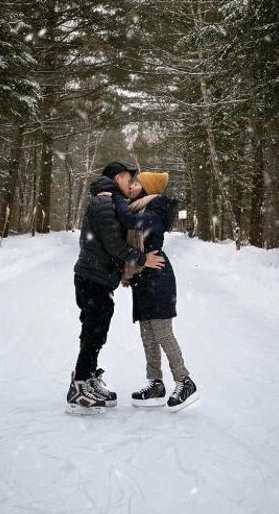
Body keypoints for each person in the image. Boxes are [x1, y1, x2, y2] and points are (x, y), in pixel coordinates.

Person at [66, 162, 166, 415]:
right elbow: (112, 243)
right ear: (118, 177)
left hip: (98, 276)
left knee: (95, 331)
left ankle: (87, 378)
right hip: (92, 276)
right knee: (93, 331)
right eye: (129, 179)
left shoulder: (108, 200)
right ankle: (79, 387)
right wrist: (142, 260)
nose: (131, 184)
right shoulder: (104, 201)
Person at [106, 171, 200, 411]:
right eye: (133, 182)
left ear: (148, 189)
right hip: (143, 277)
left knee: (162, 332)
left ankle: (184, 380)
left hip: (158, 276)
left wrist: (116, 201)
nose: (134, 186)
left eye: (138, 183)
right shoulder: (139, 208)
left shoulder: (156, 209)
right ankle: (156, 383)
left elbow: (133, 224)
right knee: (147, 335)